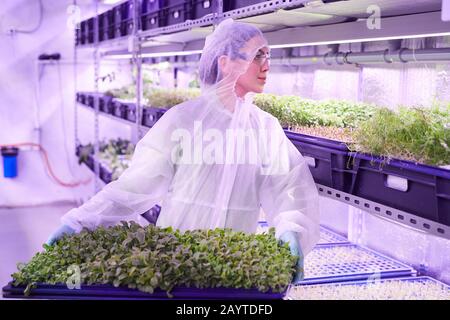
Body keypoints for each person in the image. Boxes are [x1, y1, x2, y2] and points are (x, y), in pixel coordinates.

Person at [47, 19, 320, 283]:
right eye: (257, 56)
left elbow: (289, 187)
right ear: (225, 63)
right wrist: (80, 221)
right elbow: (134, 186)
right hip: (175, 263)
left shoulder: (265, 129)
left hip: (235, 268)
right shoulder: (183, 121)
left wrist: (291, 229)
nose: (266, 66)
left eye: (268, 56)